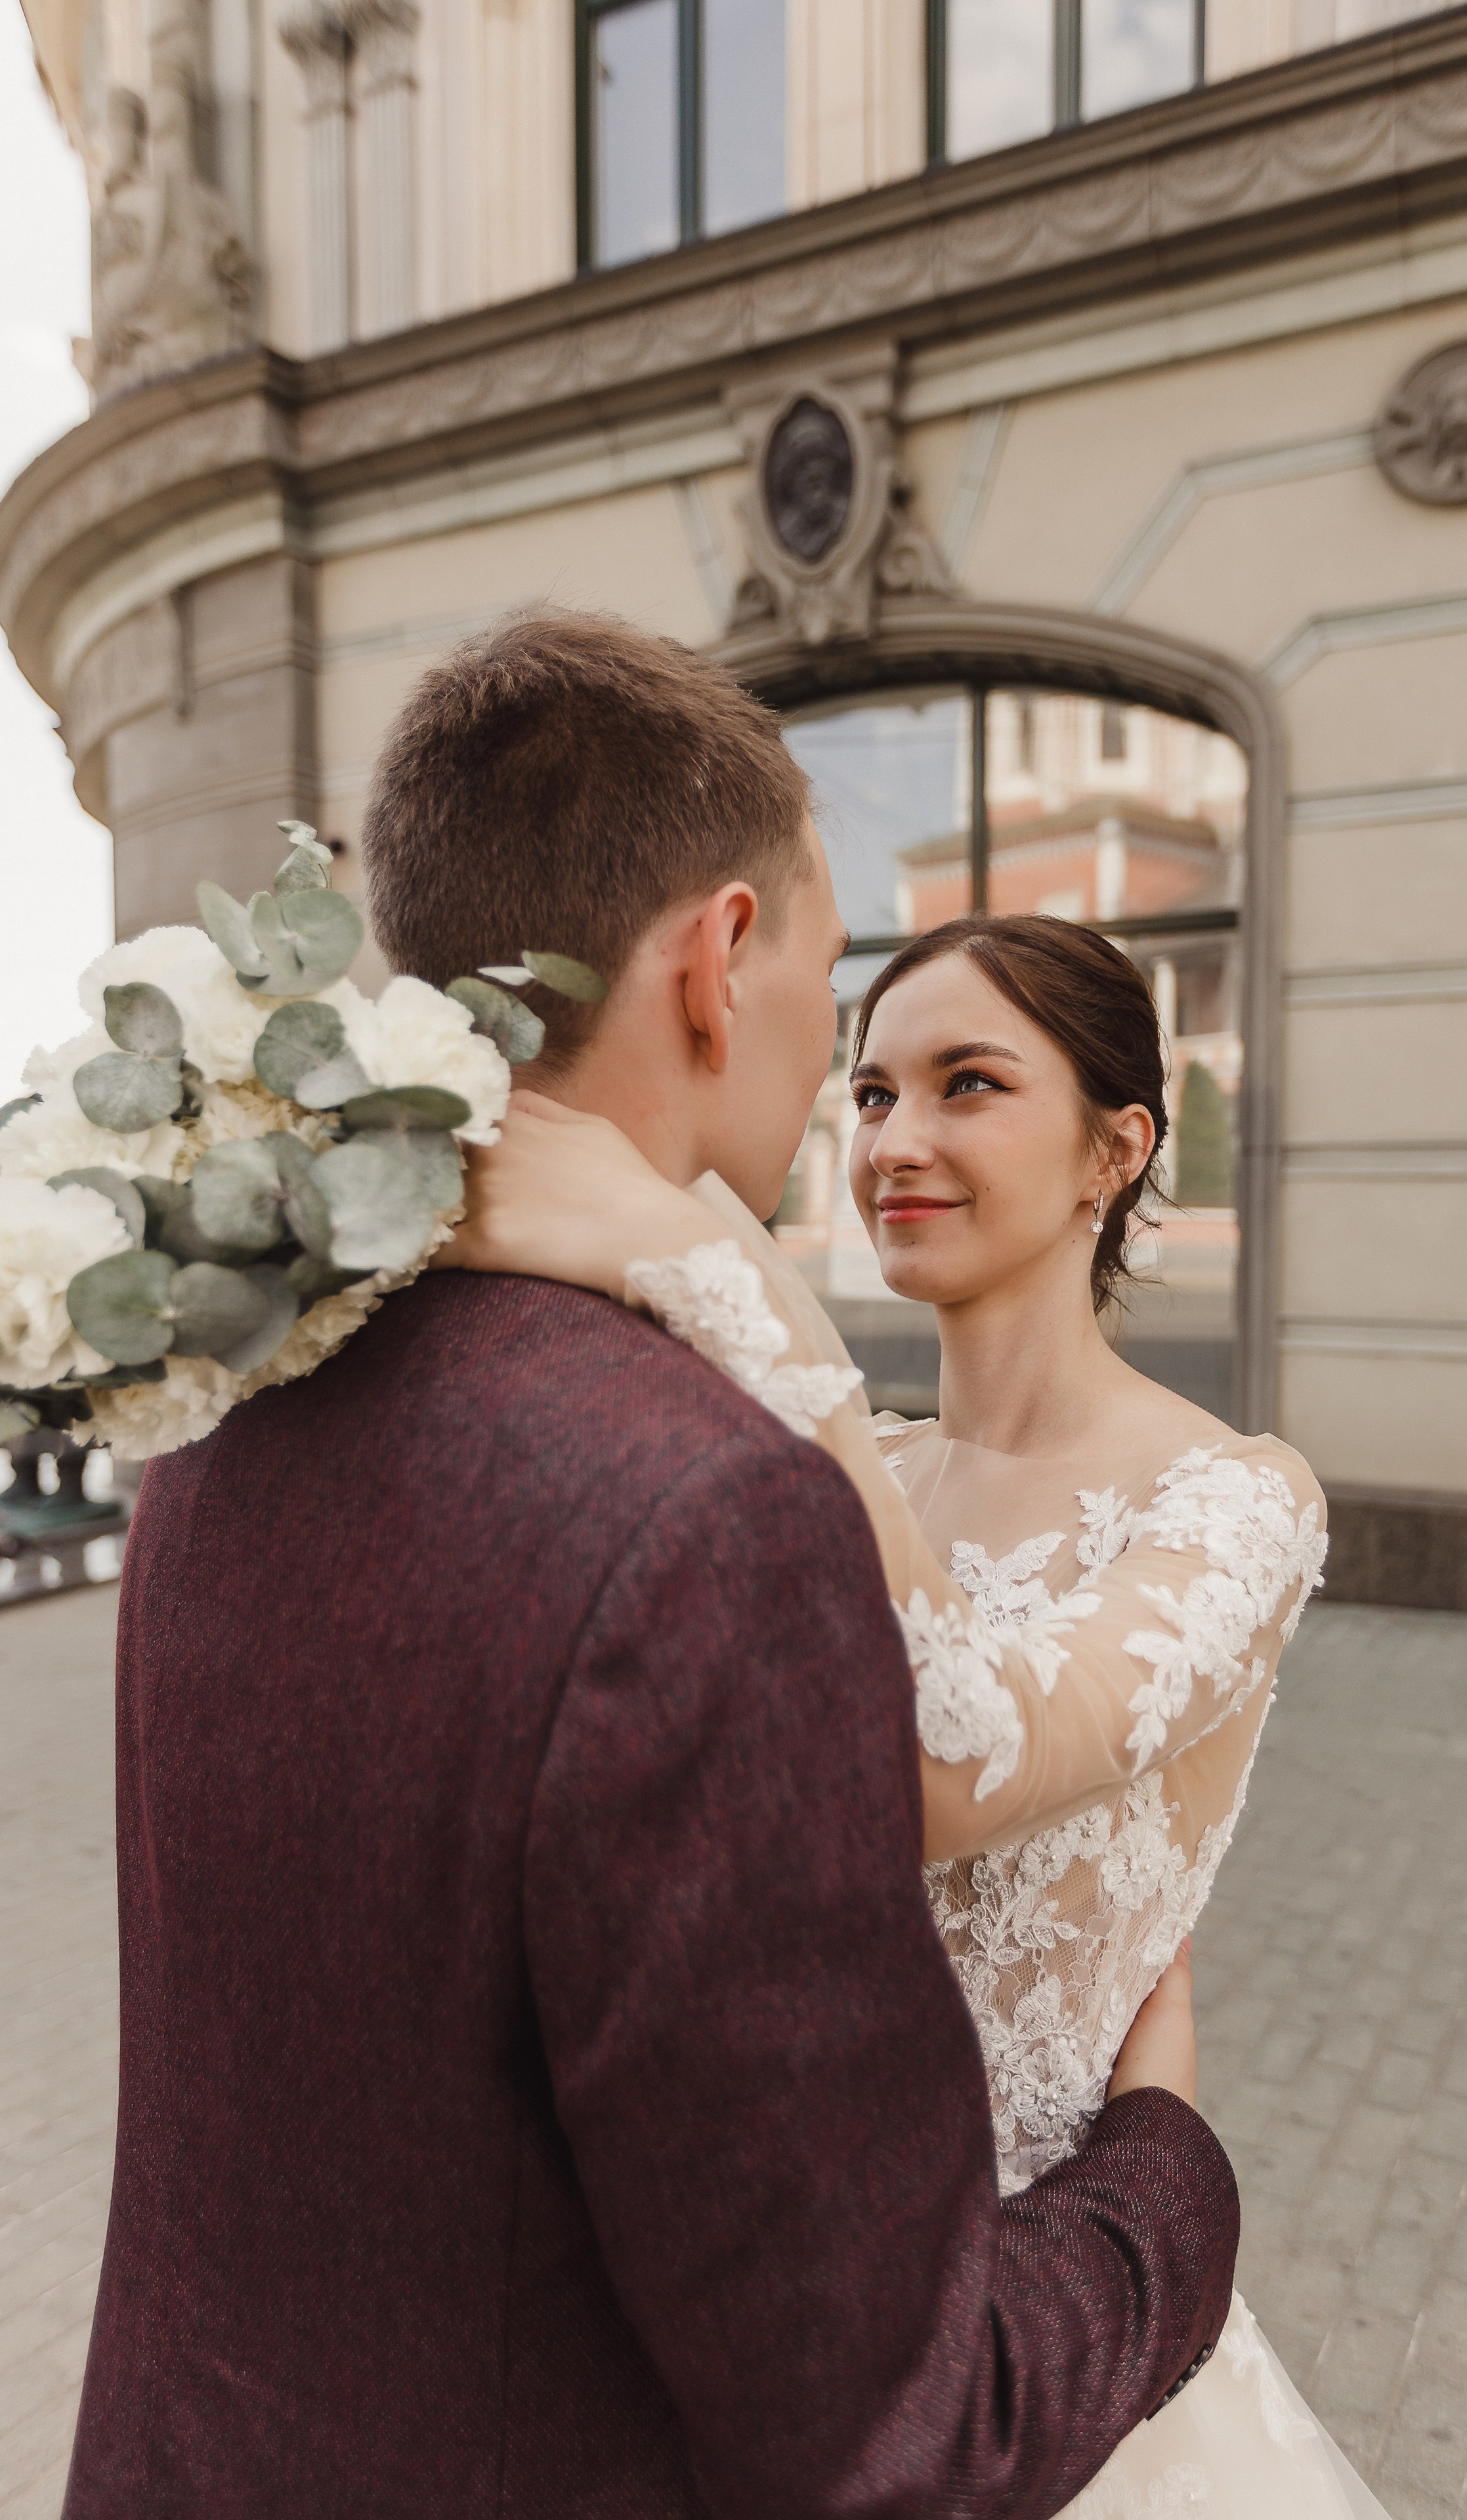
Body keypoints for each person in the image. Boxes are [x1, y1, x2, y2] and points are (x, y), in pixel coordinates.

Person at [62, 614, 1241, 2520]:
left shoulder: (233, 1393)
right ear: (720, 960)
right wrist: (1165, 2166)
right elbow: (902, 2430)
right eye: (844, 1017)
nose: (868, 1117)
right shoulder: (716, 1517)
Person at [443, 866, 1392, 2508]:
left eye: (969, 1085)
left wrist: (729, 1288)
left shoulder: (1234, 1500)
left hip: (1030, 2333)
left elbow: (956, 1765)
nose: (892, 1139)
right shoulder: (857, 1463)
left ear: (1115, 1148)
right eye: (873, 1090)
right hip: (766, 2289)